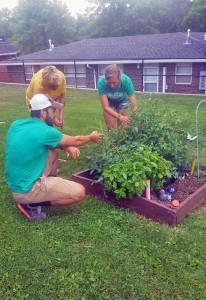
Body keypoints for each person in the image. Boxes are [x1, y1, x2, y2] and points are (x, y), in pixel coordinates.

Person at [5, 94, 103, 220]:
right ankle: (30, 203)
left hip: (17, 184)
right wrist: (91, 137)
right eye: (52, 110)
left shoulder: (16, 125)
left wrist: (64, 146)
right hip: (27, 190)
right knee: (79, 192)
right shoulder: (45, 131)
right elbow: (75, 140)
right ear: (43, 112)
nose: (55, 113)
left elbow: (43, 142)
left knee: (52, 150)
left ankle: (46, 185)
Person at [97, 64, 138, 130]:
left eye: (114, 83)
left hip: (122, 100)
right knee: (110, 127)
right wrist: (120, 116)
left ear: (119, 78)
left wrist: (137, 117)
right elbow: (105, 107)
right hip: (109, 101)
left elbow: (133, 105)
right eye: (109, 83)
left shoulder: (126, 80)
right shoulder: (101, 82)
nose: (112, 86)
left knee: (122, 126)